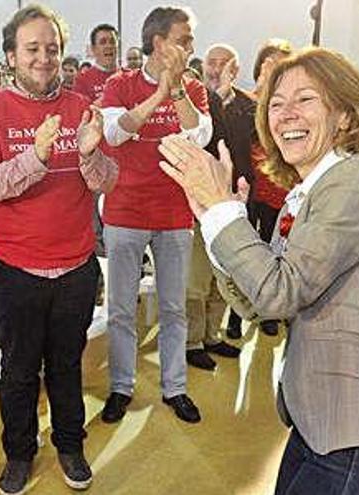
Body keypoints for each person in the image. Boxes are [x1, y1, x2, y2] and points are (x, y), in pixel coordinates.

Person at [159, 46, 359, 495]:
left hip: (357, 426)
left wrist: (223, 212)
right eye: (276, 103)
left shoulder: (356, 180)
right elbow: (259, 302)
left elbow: (279, 292)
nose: (285, 114)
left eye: (305, 100)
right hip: (320, 416)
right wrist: (217, 219)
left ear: (344, 115)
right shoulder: (313, 190)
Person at [0, 5, 118, 493]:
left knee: (68, 366)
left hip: (74, 266)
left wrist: (91, 153)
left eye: (52, 48)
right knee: (18, 370)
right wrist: (36, 156)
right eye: (32, 48)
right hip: (14, 269)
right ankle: (19, 453)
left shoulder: (79, 108)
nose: (44, 57)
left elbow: (107, 182)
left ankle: (70, 445)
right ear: (11, 55)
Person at [98, 5, 211, 425]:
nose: (190, 48)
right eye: (184, 39)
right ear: (159, 42)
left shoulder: (193, 87)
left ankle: (175, 387)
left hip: (174, 213)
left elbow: (199, 135)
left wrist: (177, 89)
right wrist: (157, 95)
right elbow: (114, 132)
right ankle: (121, 387)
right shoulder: (119, 84)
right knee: (122, 309)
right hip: (125, 211)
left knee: (173, 307)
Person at [183, 42, 252, 370]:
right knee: (196, 277)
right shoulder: (192, 100)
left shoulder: (246, 105)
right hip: (200, 202)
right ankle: (192, 341)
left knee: (221, 276)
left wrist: (227, 100)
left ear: (236, 70)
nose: (216, 69)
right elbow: (201, 139)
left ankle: (213, 335)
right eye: (212, 62)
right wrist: (216, 100)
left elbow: (247, 142)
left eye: (225, 63)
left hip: (234, 202)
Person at [225, 38, 293, 339]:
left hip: (279, 188)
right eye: (269, 62)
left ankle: (268, 311)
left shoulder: (290, 105)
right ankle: (237, 316)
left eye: (280, 62)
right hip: (247, 188)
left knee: (271, 251)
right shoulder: (245, 102)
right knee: (243, 252)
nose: (274, 66)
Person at [72, 23, 119, 104]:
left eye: (112, 42)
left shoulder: (129, 77)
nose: (109, 46)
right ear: (94, 49)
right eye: (103, 42)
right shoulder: (82, 80)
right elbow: (81, 110)